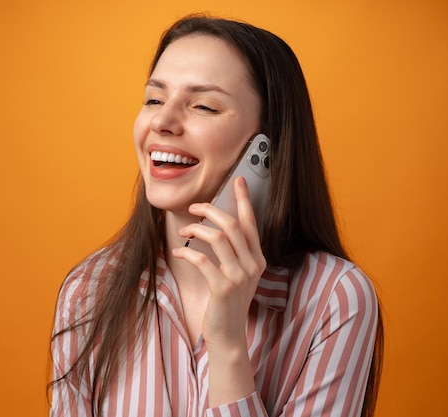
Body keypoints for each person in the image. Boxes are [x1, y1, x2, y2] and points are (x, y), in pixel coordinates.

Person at [48, 14, 383, 417]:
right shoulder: (88, 291)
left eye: (204, 106)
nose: (162, 122)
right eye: (154, 99)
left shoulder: (335, 298)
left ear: (267, 145)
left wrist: (227, 346)